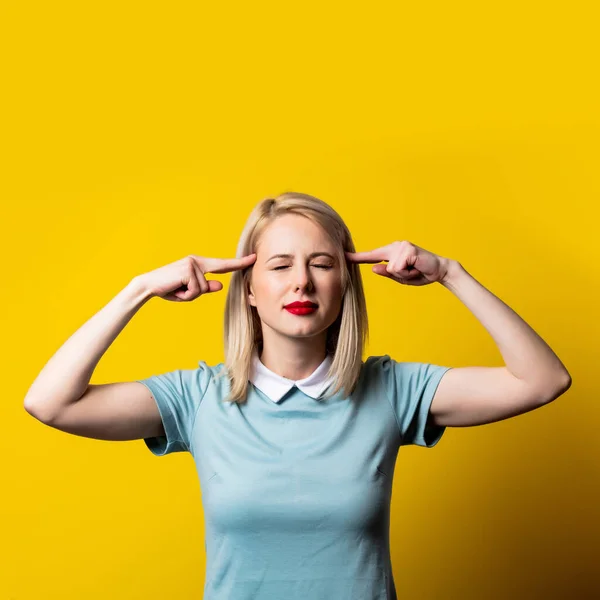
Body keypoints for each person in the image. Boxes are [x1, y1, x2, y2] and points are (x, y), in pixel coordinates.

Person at [24, 191, 572, 600]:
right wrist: (139, 289)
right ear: (250, 290)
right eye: (280, 266)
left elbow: (542, 381)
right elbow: (51, 403)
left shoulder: (394, 389)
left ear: (346, 287)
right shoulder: (198, 398)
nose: (301, 283)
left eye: (322, 264)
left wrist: (451, 273)